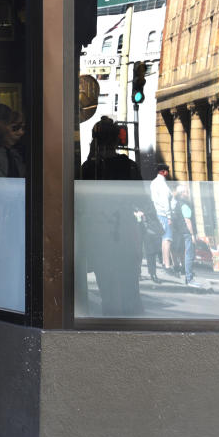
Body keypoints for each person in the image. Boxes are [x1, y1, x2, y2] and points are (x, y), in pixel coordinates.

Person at [78, 117, 145, 315]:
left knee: (107, 288)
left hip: (99, 233)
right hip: (124, 230)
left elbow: (81, 204)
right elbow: (141, 198)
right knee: (130, 287)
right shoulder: (129, 166)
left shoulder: (88, 168)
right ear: (117, 140)